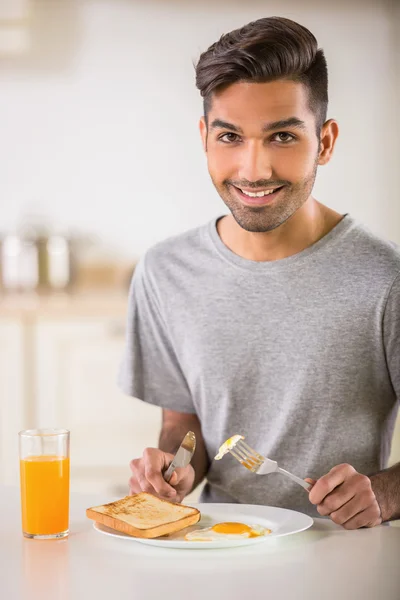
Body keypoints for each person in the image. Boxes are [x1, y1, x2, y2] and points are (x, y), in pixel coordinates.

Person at [118, 16, 400, 529]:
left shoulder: (388, 279)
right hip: (220, 547)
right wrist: (175, 470)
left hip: (346, 560)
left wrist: (385, 492)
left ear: (326, 142)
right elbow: (185, 426)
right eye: (230, 136)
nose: (254, 169)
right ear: (205, 137)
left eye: (282, 137)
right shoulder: (165, 273)